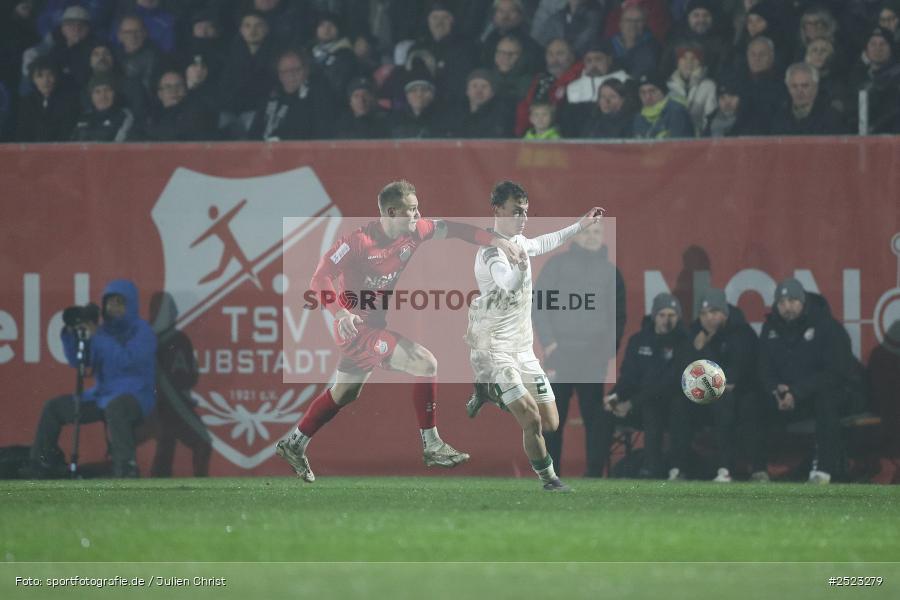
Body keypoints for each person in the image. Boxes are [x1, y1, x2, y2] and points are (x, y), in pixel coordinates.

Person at [274, 180, 526, 482]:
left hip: (372, 327)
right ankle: (432, 444)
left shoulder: (415, 231)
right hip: (356, 330)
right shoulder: (358, 242)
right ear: (392, 212)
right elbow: (320, 278)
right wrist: (339, 313)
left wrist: (497, 242)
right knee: (425, 363)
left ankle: (294, 443)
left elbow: (457, 230)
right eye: (412, 210)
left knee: (345, 393)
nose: (419, 215)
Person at [465, 180, 604, 491]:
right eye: (516, 211)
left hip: (523, 350)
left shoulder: (519, 243)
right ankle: (550, 480)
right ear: (497, 210)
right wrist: (519, 266)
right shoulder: (490, 251)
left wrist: (581, 225)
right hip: (497, 351)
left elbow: (543, 242)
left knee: (551, 422)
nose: (523, 218)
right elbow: (507, 283)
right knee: (531, 420)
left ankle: (490, 392)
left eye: (526, 211)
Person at [30, 279, 157, 478]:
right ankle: (41, 464)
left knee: (116, 408)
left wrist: (98, 336)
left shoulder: (142, 331)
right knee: (54, 408)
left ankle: (126, 467)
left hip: (136, 395)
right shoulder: (102, 331)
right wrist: (71, 336)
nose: (113, 307)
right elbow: (80, 362)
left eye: (119, 302)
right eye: (109, 302)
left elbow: (127, 361)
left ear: (131, 304)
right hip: (102, 396)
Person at [533, 221, 625, 477]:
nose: (591, 237)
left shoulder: (610, 273)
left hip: (593, 357)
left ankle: (594, 475)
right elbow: (539, 305)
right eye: (586, 232)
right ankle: (550, 475)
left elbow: (617, 317)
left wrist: (606, 350)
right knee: (553, 418)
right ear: (575, 236)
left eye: (597, 232)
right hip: (559, 355)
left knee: (595, 419)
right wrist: (550, 344)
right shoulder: (556, 265)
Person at [759, 278, 861, 484]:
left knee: (826, 400)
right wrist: (775, 390)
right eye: (782, 302)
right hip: (791, 397)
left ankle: (824, 469)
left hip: (837, 395)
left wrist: (797, 391)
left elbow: (836, 373)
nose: (787, 307)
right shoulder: (770, 329)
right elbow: (763, 368)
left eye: (793, 301)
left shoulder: (827, 326)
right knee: (752, 402)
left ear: (803, 302)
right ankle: (757, 470)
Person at [670, 288, 765, 482]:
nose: (708, 318)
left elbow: (736, 373)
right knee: (679, 404)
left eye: (714, 312)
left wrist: (706, 349)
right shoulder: (695, 333)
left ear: (725, 313)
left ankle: (726, 468)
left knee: (727, 401)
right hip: (705, 395)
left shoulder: (741, 332)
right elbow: (684, 370)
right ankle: (679, 468)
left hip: (738, 395)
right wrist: (698, 349)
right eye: (704, 314)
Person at [603, 293, 692, 479]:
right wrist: (615, 396)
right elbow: (629, 377)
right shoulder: (639, 340)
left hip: (671, 404)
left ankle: (661, 468)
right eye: (662, 315)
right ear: (654, 316)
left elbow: (669, 382)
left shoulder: (685, 342)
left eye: (671, 315)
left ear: (678, 317)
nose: (666, 320)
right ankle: (594, 472)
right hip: (640, 402)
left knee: (657, 407)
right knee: (602, 413)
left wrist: (631, 403)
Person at [248, 49, 336, 141]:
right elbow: (253, 134)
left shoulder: (316, 97)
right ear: (279, 75)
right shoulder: (271, 96)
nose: (291, 75)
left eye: (296, 70)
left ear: (306, 70)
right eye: (285, 71)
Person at [771, 62, 846, 135]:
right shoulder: (779, 116)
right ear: (788, 88)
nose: (799, 91)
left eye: (805, 86)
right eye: (794, 86)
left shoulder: (831, 117)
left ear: (815, 87)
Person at [15, 56, 79, 142]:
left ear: (57, 76)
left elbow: (66, 134)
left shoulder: (69, 101)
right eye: (40, 76)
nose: (45, 80)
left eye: (50, 75)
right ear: (33, 79)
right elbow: (22, 134)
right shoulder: (27, 102)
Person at [666, 43, 717, 135]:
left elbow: (709, 120)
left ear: (700, 62)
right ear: (678, 62)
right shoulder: (668, 87)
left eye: (694, 58)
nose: (689, 62)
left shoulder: (708, 86)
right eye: (684, 58)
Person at [70, 73, 135, 142]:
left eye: (107, 90)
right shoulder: (83, 118)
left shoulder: (124, 117)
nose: (103, 96)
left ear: (114, 93)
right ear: (91, 96)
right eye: (97, 92)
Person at [632, 72, 694, 139]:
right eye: (643, 92)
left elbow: (681, 143)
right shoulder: (639, 117)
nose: (648, 97)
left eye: (652, 91)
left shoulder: (676, 111)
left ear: (662, 91)